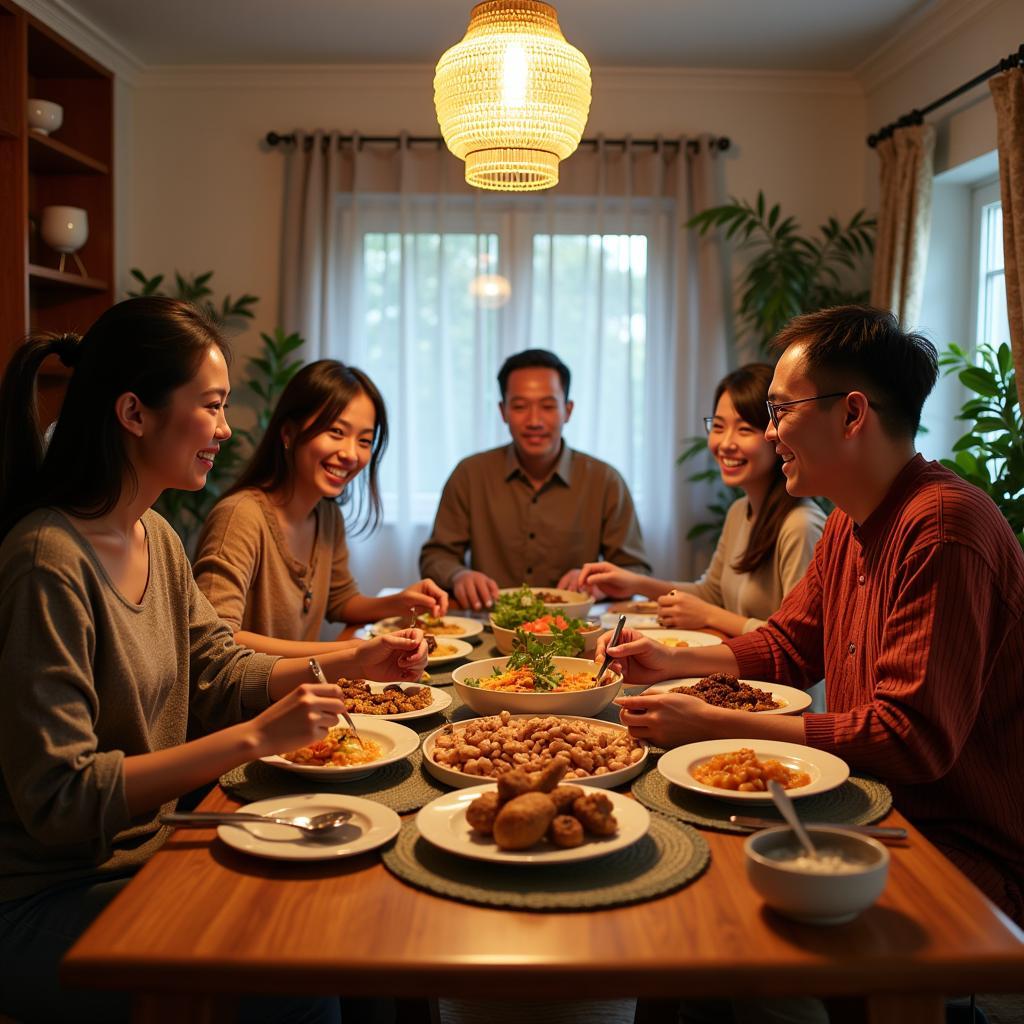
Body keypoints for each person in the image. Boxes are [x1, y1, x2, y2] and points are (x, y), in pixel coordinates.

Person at [0, 297, 428, 1023]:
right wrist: (259, 738)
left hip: (144, 851)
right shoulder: (48, 562)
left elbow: (221, 669)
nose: (228, 430)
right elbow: (61, 800)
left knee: (362, 914)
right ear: (134, 413)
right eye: (212, 406)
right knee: (300, 984)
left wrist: (354, 663)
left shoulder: (154, 536)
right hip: (49, 894)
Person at [599, 305, 1024, 928]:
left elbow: (911, 740)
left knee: (719, 905)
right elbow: (789, 646)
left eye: (779, 411)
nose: (769, 434)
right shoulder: (853, 519)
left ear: (852, 414)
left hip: (950, 844)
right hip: (864, 801)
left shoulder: (941, 527)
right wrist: (670, 659)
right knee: (686, 853)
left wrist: (707, 721)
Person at [192, 359, 449, 656]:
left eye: (364, 440)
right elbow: (217, 640)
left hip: (296, 688)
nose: (351, 454)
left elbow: (340, 602)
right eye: (337, 432)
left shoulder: (326, 515)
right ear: (288, 433)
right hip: (249, 700)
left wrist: (400, 601)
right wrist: (343, 653)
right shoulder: (241, 516)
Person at [578, 363, 826, 636]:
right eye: (718, 426)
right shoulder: (740, 511)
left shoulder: (800, 525)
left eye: (744, 430)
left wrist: (709, 615)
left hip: (780, 680)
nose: (725, 443)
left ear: (774, 433)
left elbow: (800, 641)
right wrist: (635, 584)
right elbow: (711, 591)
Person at [419, 349, 651, 610]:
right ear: (503, 411)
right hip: (491, 623)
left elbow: (635, 569)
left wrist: (598, 583)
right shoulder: (470, 474)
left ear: (568, 410)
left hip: (575, 632)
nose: (534, 420)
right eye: (519, 406)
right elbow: (436, 556)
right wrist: (458, 575)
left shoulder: (604, 480)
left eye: (548, 406)